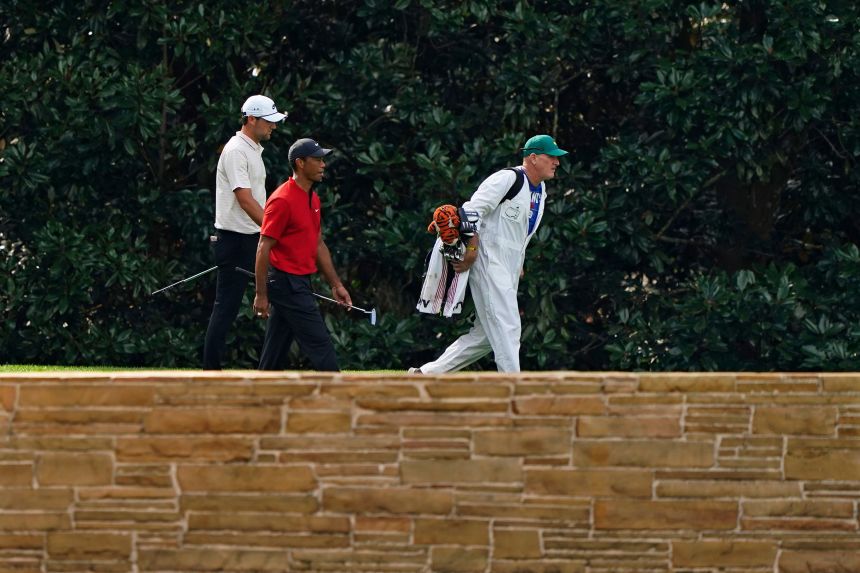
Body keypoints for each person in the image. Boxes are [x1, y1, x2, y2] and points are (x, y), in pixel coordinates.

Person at [412, 134, 568, 373]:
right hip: (488, 260)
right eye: (551, 157)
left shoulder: (541, 189)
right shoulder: (508, 178)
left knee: (485, 337)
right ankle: (513, 392)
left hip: (508, 266)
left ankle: (426, 374)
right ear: (533, 158)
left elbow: (521, 233)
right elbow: (470, 211)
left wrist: (519, 262)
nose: (557, 162)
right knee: (508, 327)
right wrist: (472, 250)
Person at [202, 95, 287, 369]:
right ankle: (211, 372)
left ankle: (269, 368)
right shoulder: (237, 150)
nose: (273, 127)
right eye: (269, 122)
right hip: (237, 241)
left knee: (284, 297)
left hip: (252, 237)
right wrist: (273, 231)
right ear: (252, 119)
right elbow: (245, 199)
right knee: (226, 308)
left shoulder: (251, 149)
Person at [253, 138, 352, 371]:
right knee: (321, 345)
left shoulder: (312, 198)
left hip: (299, 281)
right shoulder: (281, 200)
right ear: (300, 163)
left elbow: (318, 243)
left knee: (274, 353)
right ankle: (339, 399)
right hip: (287, 283)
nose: (323, 165)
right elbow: (263, 247)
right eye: (317, 160)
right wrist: (260, 294)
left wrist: (336, 284)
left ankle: (257, 398)